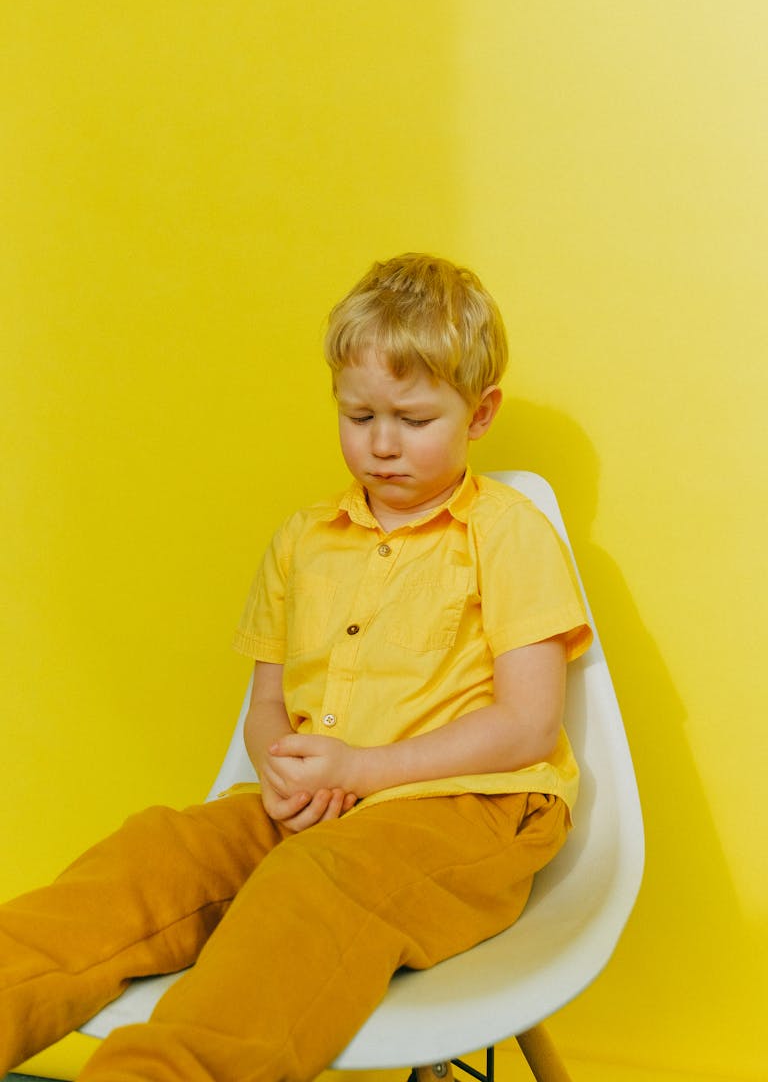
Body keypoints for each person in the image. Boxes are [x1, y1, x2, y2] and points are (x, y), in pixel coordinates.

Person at [0, 253, 591, 1082]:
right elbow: (269, 705)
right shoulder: (304, 541)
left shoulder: (506, 531)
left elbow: (529, 724)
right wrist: (285, 767)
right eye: (359, 415)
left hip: (469, 812)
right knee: (154, 855)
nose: (381, 444)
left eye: (413, 420)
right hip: (323, 805)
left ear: (479, 413)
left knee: (312, 886)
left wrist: (366, 767)